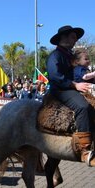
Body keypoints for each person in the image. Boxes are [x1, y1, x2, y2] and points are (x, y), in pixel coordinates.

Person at [46, 25, 94, 166]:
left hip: (74, 88)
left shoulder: (70, 55)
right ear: (64, 38)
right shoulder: (55, 56)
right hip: (61, 90)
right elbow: (55, 76)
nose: (76, 40)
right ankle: (84, 150)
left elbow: (81, 74)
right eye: (73, 37)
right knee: (83, 107)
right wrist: (75, 85)